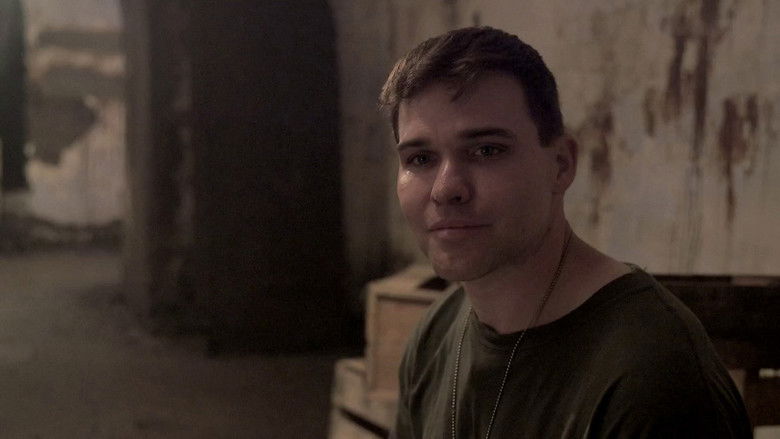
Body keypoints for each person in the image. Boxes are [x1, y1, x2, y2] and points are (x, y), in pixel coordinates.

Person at [379, 26, 752, 438]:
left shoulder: (652, 378)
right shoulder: (435, 335)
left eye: (486, 150)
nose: (446, 188)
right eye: (420, 158)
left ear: (560, 165)